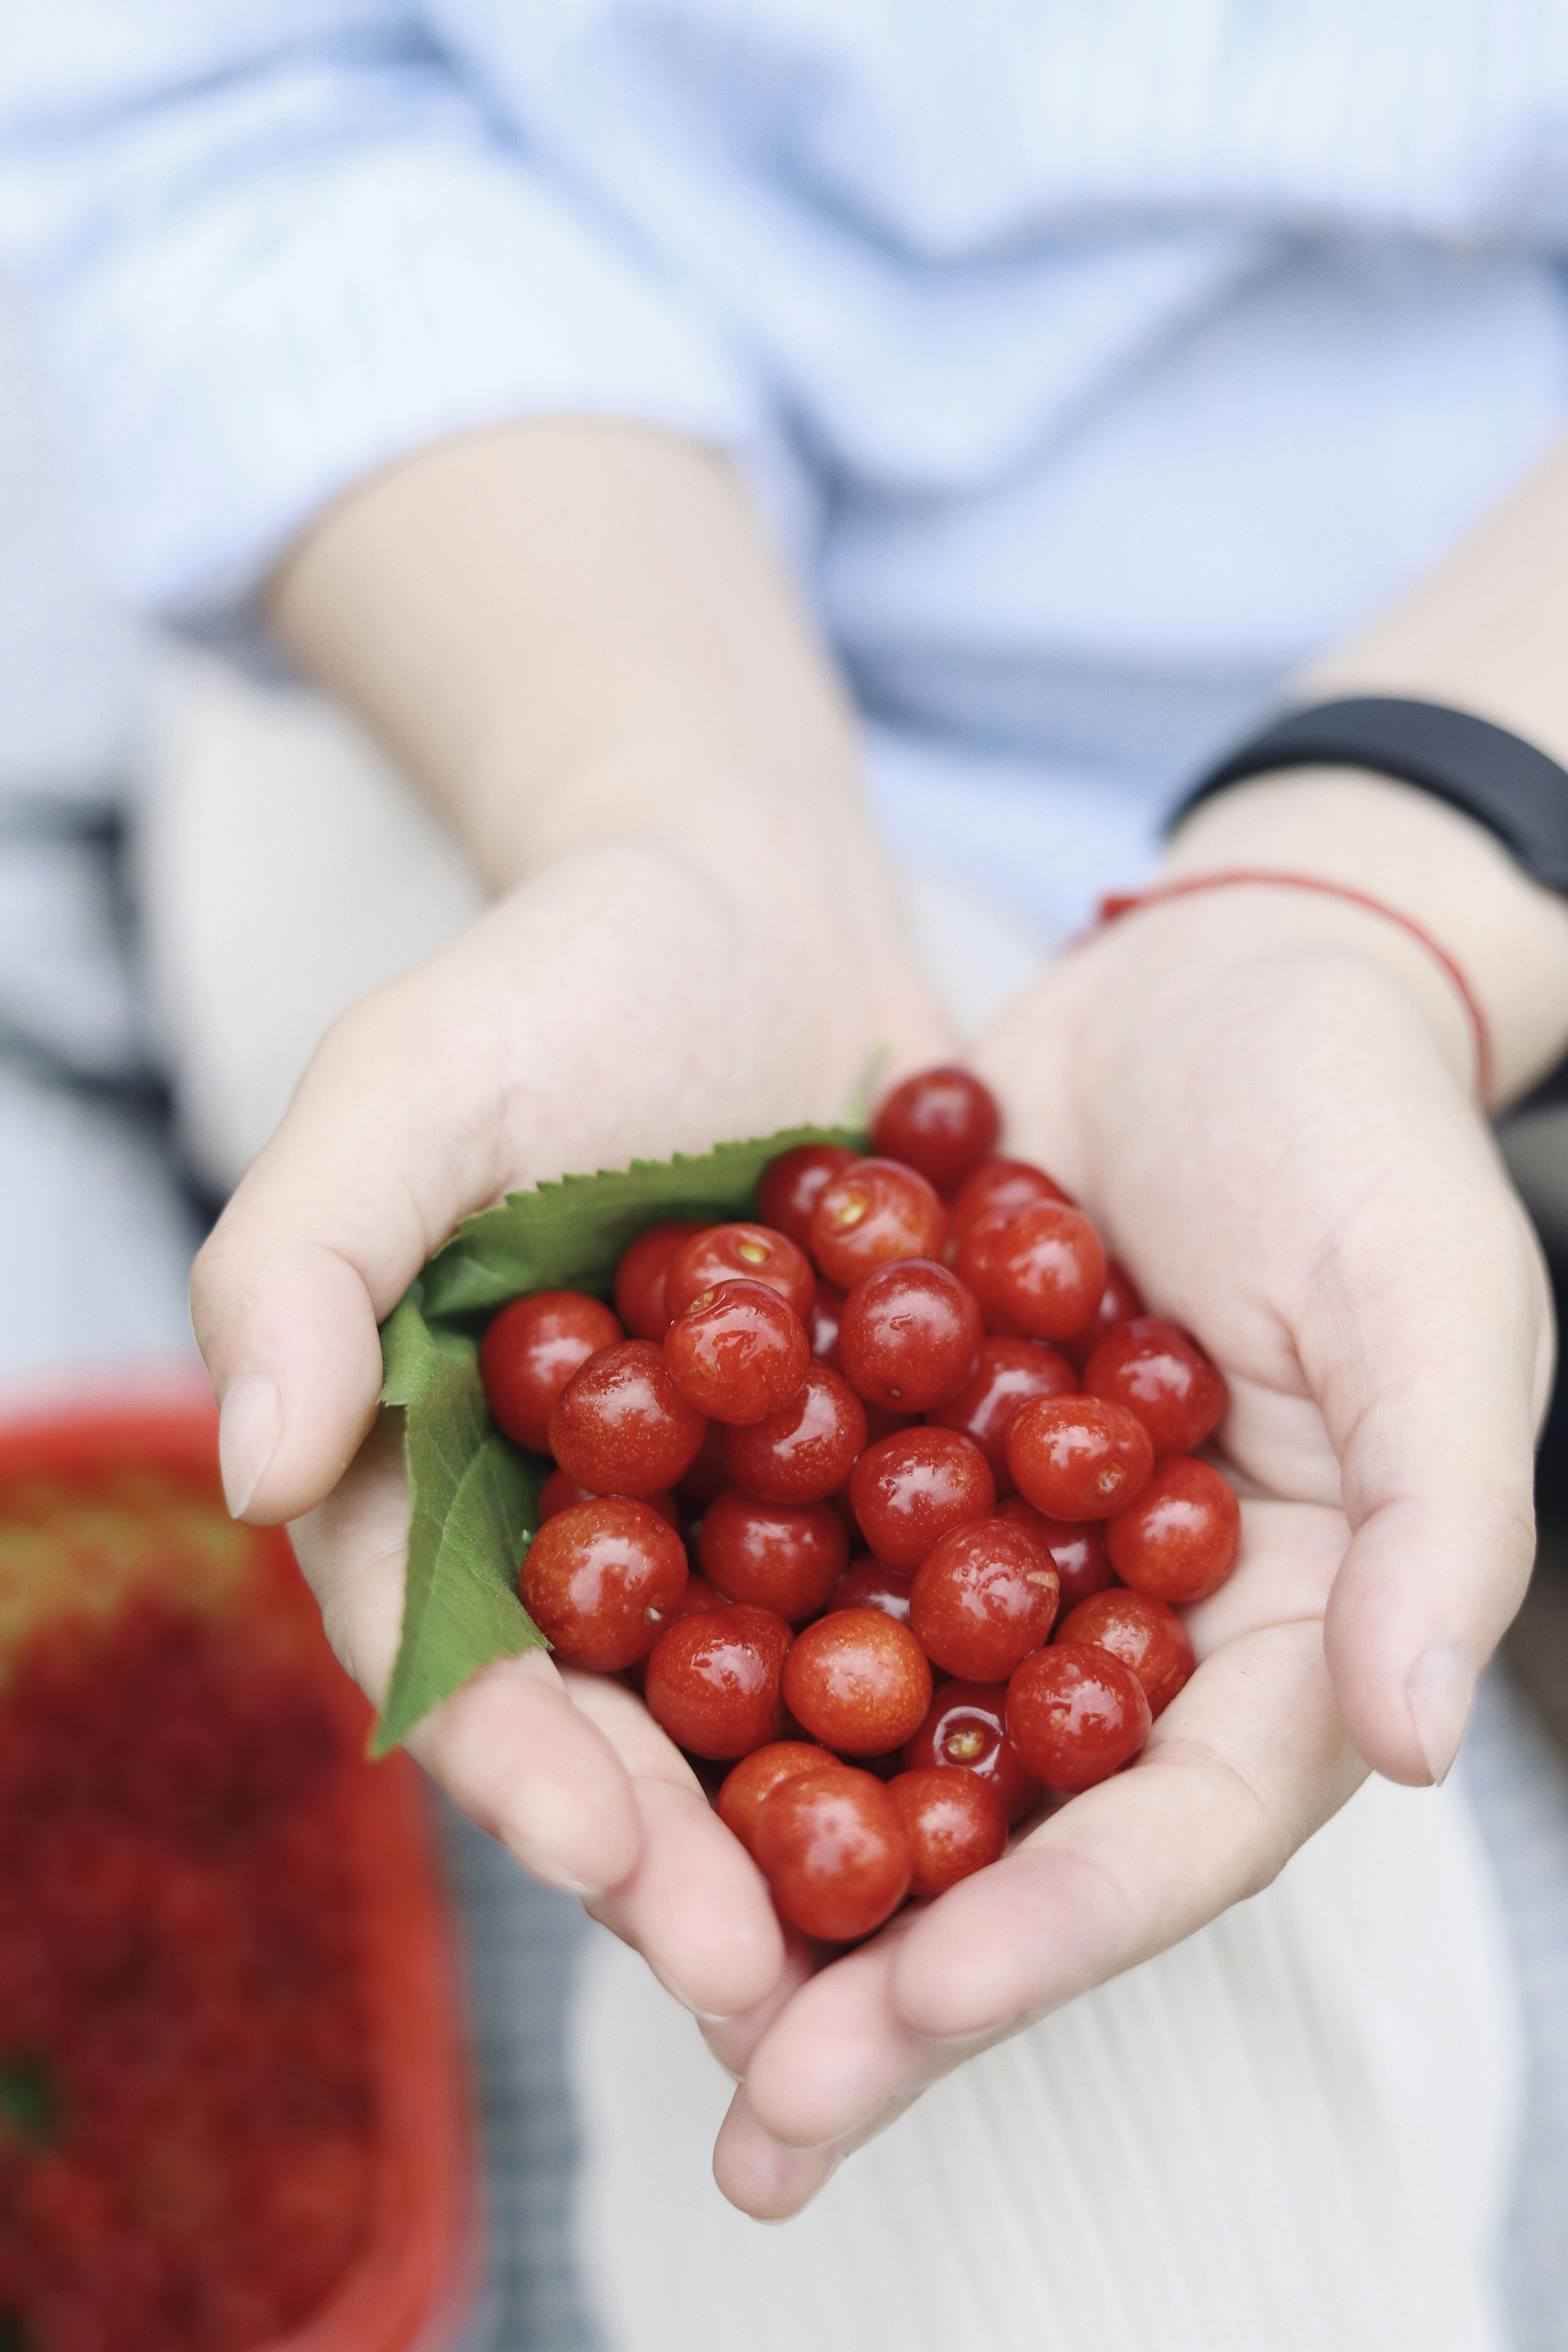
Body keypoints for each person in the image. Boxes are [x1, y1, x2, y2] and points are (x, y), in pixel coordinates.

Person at [4, 8, 1568, 2345]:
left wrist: (1390, 888)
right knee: (1106, 2137)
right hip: (517, 634)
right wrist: (684, 814)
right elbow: (233, 119)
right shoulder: (829, 1411)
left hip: (1484, 748)